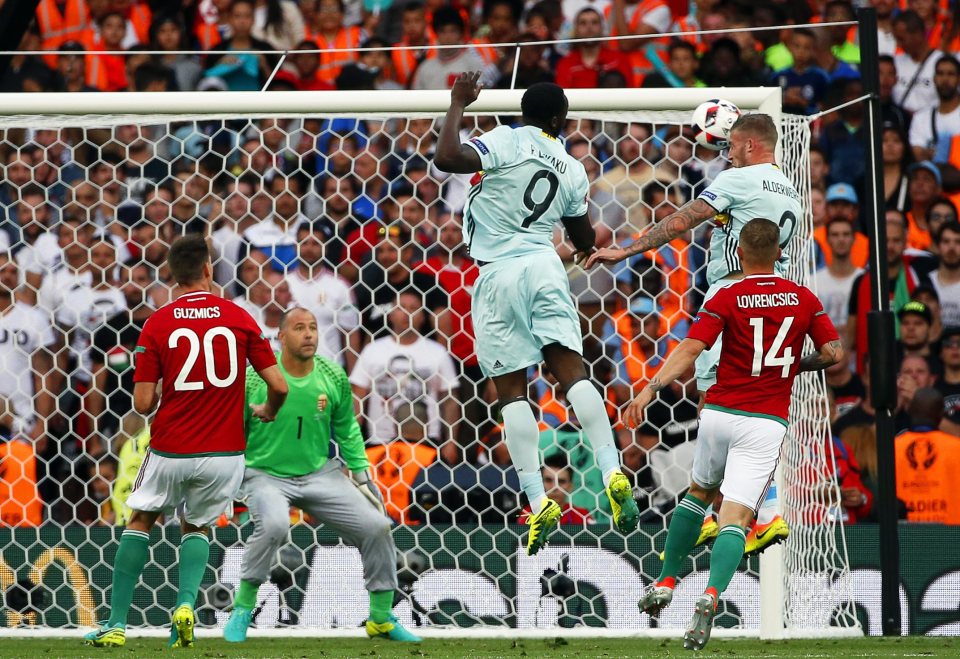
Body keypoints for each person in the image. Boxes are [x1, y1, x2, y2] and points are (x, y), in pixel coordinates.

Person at [434, 74, 638, 555]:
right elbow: (583, 238)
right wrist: (591, 252)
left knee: (511, 393)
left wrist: (458, 104)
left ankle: (536, 498)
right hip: (546, 267)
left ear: (523, 113)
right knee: (573, 374)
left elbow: (447, 158)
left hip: (498, 271)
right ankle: (611, 469)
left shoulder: (504, 139)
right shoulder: (570, 167)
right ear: (559, 120)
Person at [588, 113, 804, 554]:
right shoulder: (789, 190)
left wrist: (625, 249)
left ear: (746, 146)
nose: (725, 155)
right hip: (775, 301)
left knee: (724, 408)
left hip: (734, 295)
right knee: (736, 407)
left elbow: (683, 218)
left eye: (730, 148)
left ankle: (763, 513)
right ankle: (732, 512)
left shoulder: (741, 180)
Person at [622, 218, 842, 651]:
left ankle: (666, 580)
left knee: (698, 494)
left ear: (740, 253)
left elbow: (691, 348)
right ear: (779, 253)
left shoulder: (727, 294)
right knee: (737, 519)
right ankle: (709, 597)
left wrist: (650, 387)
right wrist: (795, 365)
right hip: (766, 421)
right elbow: (834, 353)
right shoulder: (804, 299)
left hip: (720, 413)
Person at [83, 235, 287, 649]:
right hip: (225, 452)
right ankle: (185, 607)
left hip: (171, 447)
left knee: (140, 520)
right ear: (209, 269)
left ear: (171, 274)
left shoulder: (157, 322)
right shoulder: (239, 317)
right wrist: (267, 409)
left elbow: (142, 403)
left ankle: (117, 623)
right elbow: (279, 385)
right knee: (197, 525)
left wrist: (160, 389)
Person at [223, 307, 420, 643]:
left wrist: (360, 473)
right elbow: (232, 428)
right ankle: (242, 609)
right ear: (281, 337)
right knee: (273, 525)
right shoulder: (256, 377)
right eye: (299, 328)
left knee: (377, 525)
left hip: (320, 474)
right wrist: (228, 477)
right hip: (265, 475)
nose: (309, 334)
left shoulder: (333, 375)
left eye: (313, 327)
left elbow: (347, 429)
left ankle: (381, 617)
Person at [895, 388, 960, 524]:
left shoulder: (892, 448)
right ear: (941, 415)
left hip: (904, 535)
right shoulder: (956, 447)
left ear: (910, 411)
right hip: (951, 537)